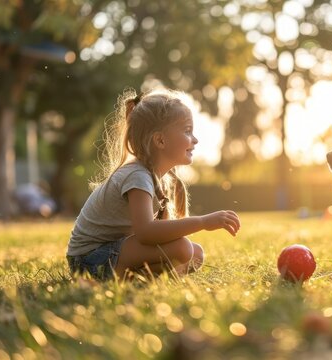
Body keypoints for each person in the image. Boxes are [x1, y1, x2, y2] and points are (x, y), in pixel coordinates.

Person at [66, 88, 241, 281]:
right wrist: (203, 222)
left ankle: (138, 278)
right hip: (87, 261)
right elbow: (146, 233)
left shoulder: (157, 178)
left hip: (111, 251)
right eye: (187, 131)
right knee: (183, 249)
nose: (195, 140)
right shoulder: (137, 175)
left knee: (195, 253)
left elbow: (161, 236)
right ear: (160, 140)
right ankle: (132, 278)